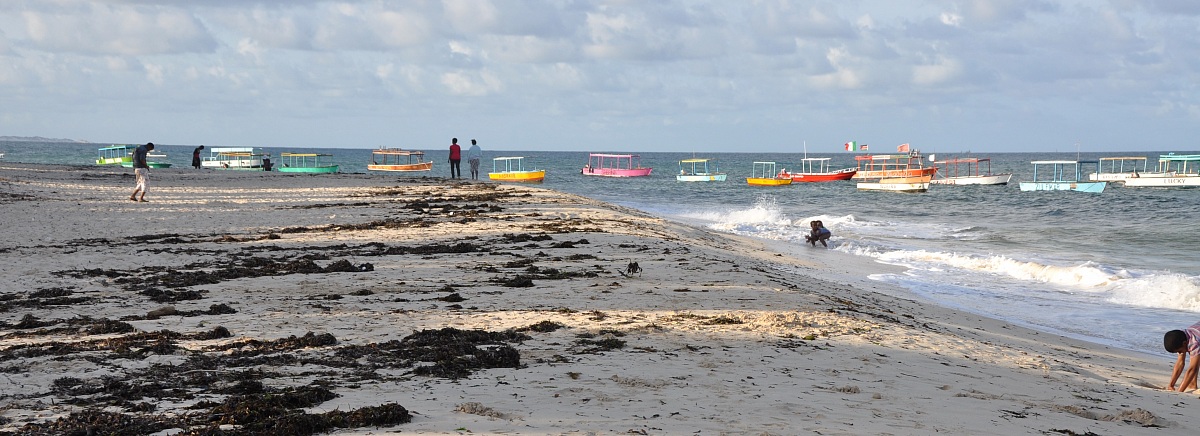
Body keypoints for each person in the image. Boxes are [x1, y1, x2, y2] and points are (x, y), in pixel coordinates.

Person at [1164, 322, 1200, 392]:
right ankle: (1192, 384)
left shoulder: (1194, 343)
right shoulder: (1181, 337)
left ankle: (1192, 384)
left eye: (1179, 351)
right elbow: (1180, 363)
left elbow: (1192, 369)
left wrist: (1179, 391)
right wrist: (1171, 385)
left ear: (1184, 343)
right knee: (1195, 357)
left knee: (1195, 361)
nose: (1180, 353)